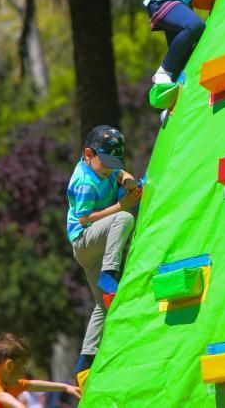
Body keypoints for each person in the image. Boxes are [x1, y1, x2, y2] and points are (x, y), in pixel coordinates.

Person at [66, 125, 141, 378]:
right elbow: (85, 218)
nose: (110, 168)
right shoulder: (84, 182)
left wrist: (126, 178)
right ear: (89, 154)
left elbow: (119, 172)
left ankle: (85, 361)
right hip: (85, 240)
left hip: (95, 244)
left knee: (103, 304)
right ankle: (110, 272)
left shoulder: (105, 167)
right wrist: (122, 205)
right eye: (106, 163)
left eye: (114, 163)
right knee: (125, 219)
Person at [0, 333, 80, 408]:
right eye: (23, 367)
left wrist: (65, 387)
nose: (24, 372)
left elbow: (32, 385)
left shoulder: (7, 382)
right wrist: (19, 406)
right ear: (9, 366)